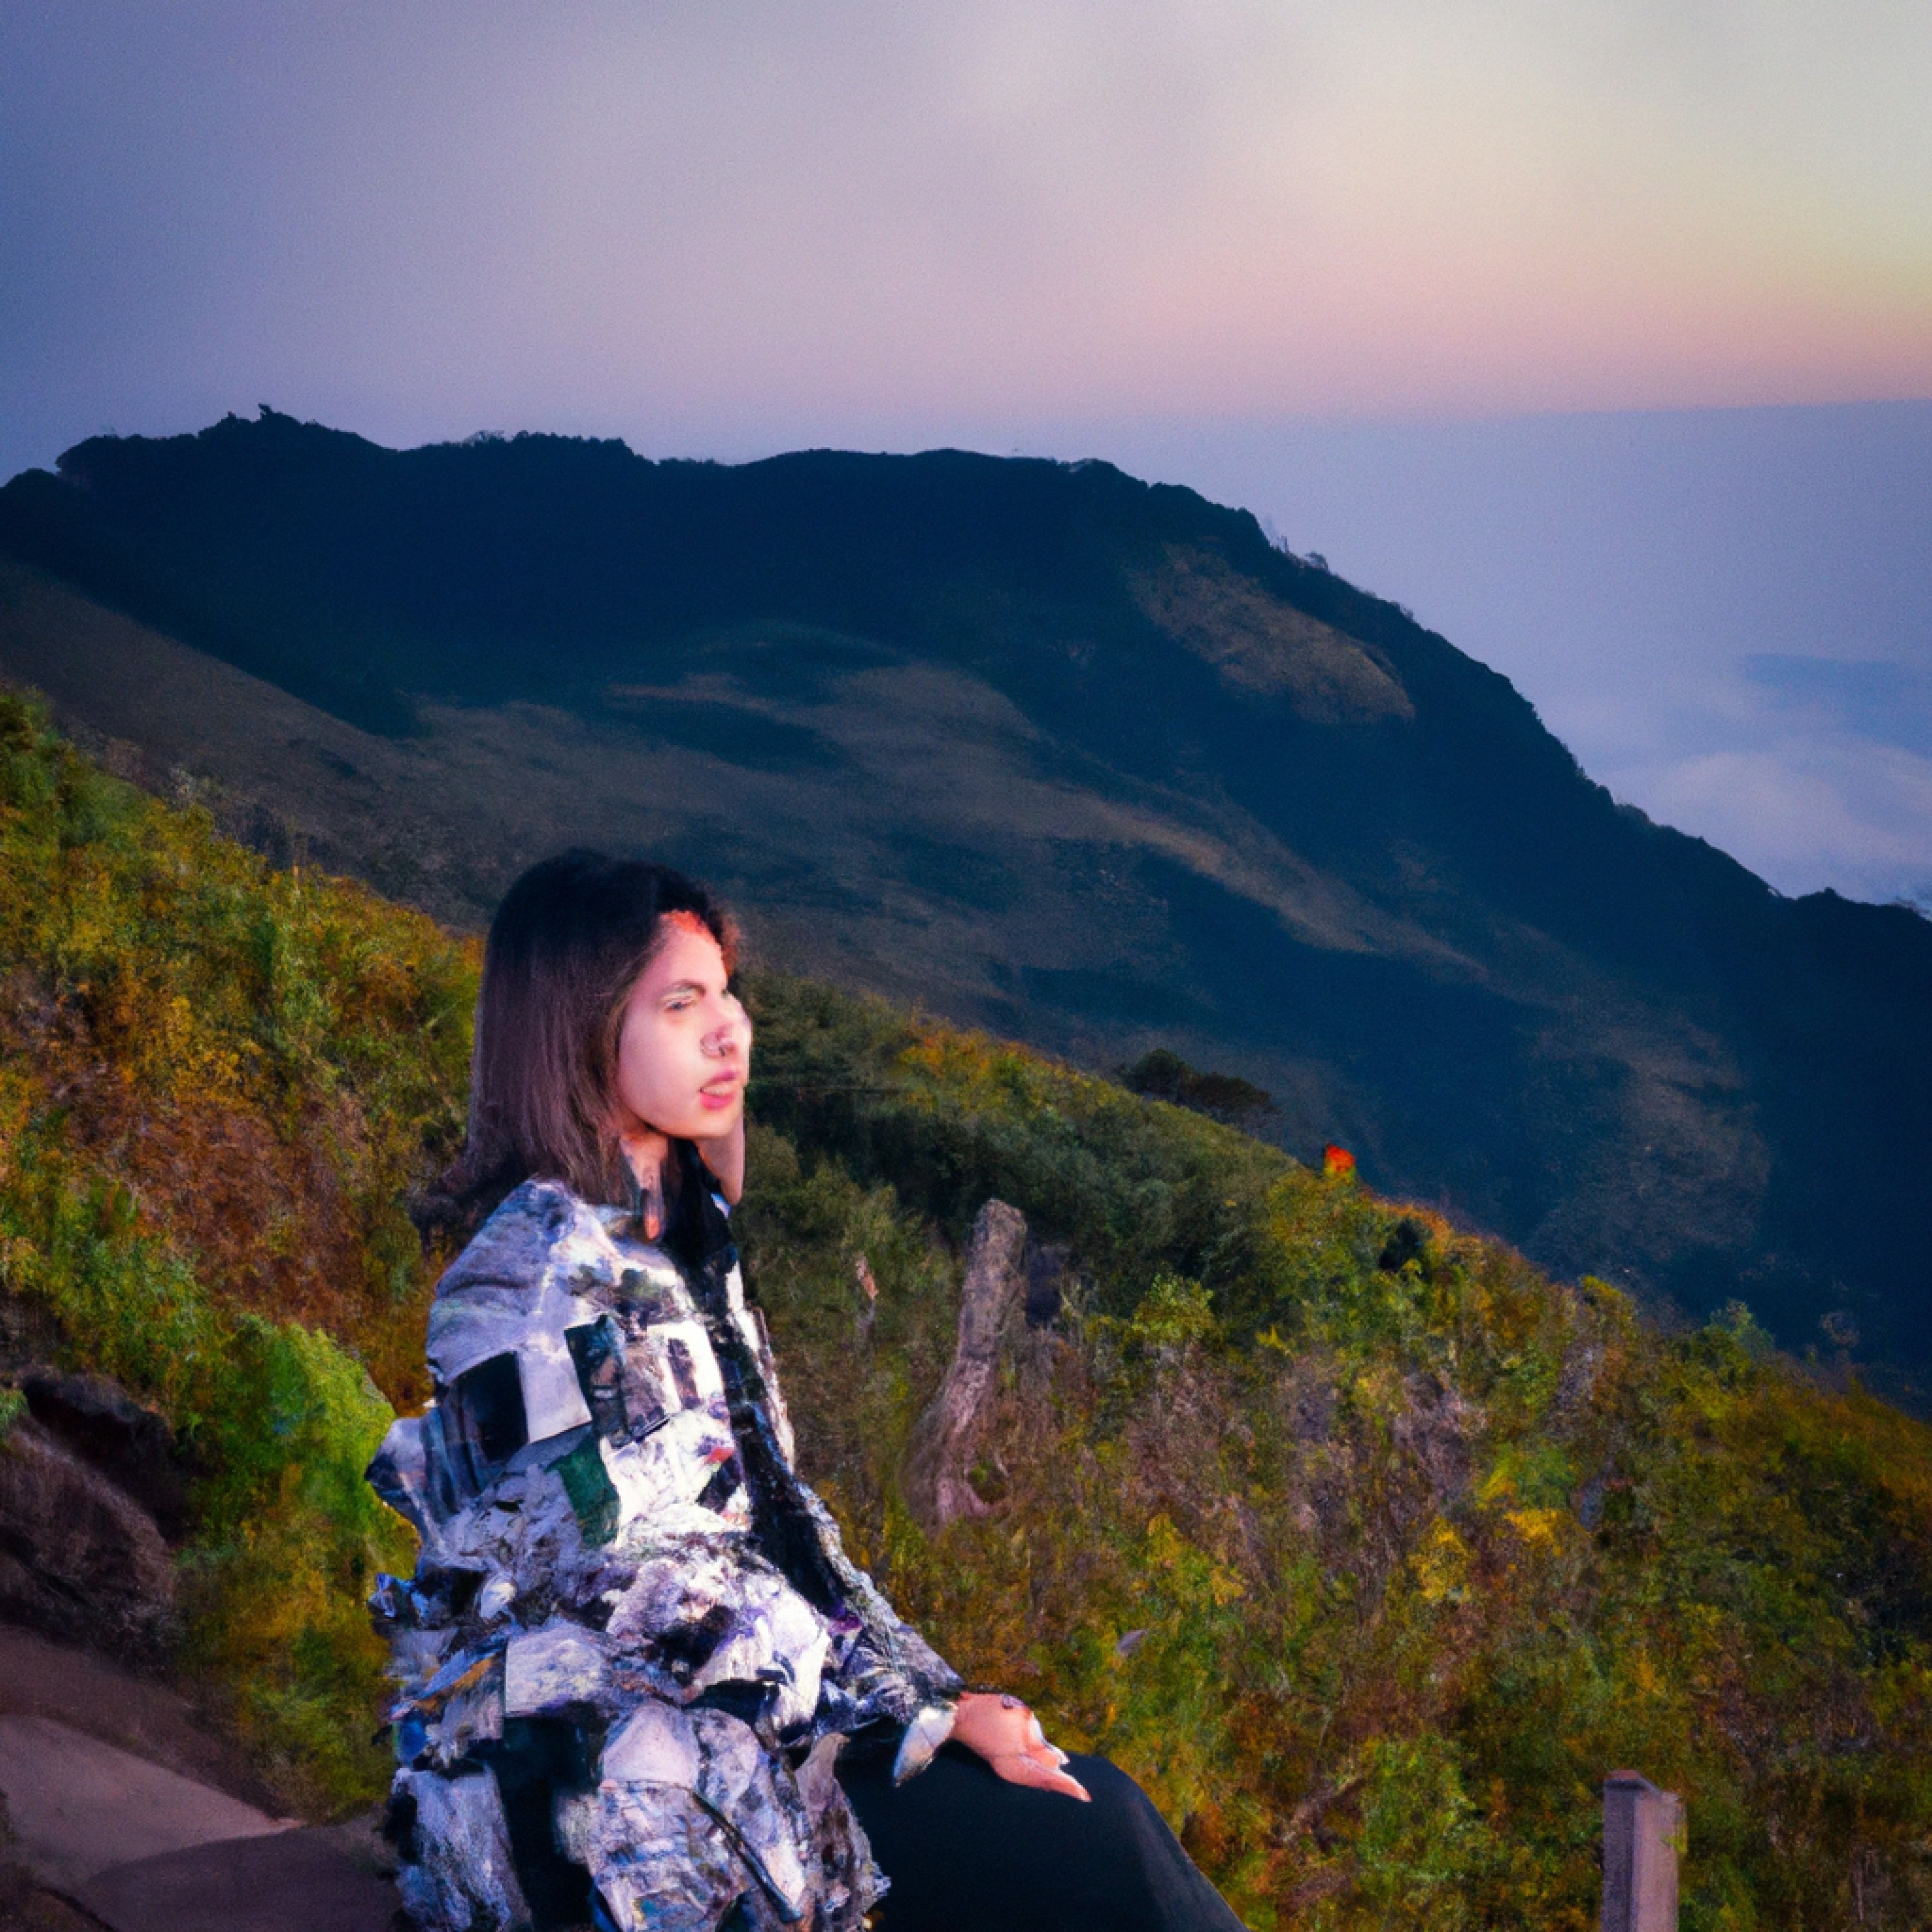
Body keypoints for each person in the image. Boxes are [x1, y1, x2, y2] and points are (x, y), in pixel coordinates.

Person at [367, 851, 1246, 1932]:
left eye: (727, 994)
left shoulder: (678, 1246)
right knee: (1099, 1845)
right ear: (578, 1026)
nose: (730, 1031)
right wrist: (916, 1713)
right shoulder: (534, 1278)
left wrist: (936, 1700)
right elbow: (644, 1595)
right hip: (626, 1799)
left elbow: (784, 1532)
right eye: (682, 1004)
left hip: (740, 1732)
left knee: (1105, 1822)